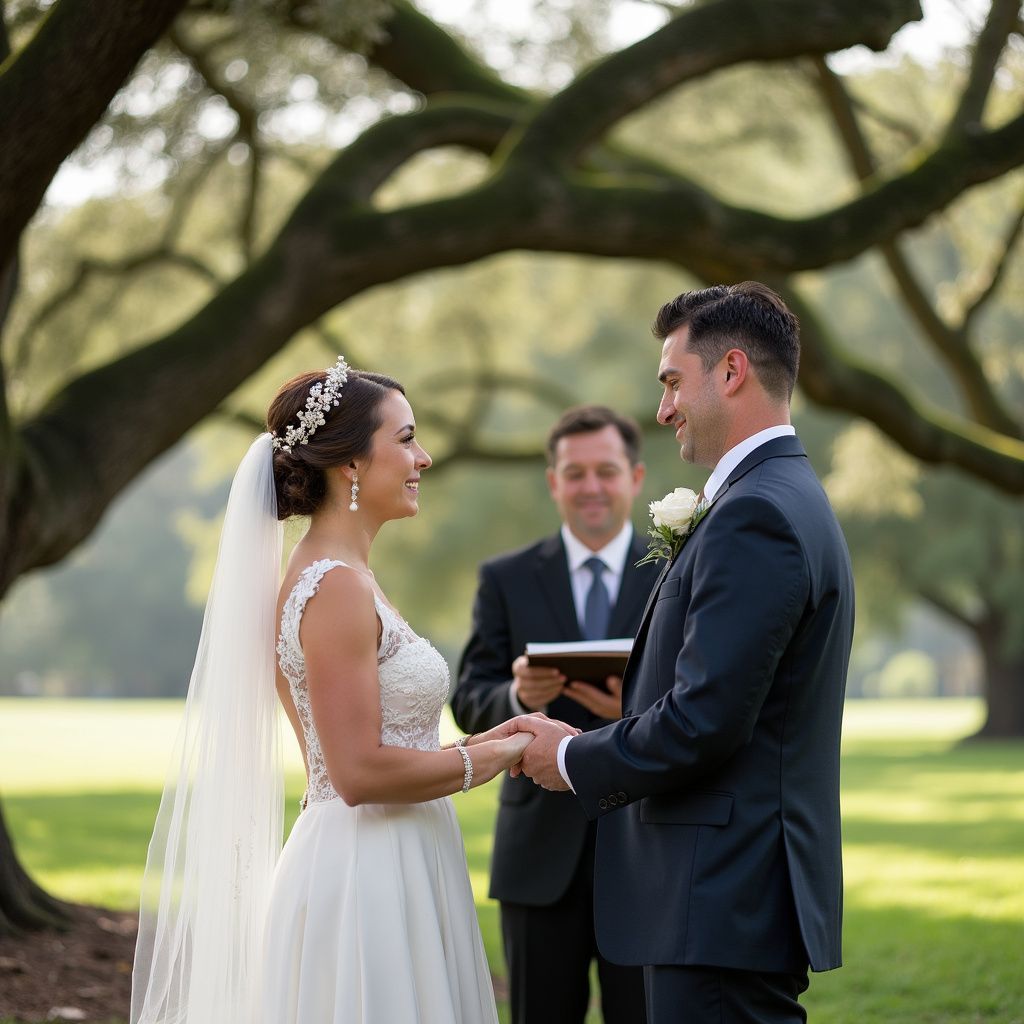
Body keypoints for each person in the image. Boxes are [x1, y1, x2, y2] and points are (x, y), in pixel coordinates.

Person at [131, 358, 557, 1024]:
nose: (426, 457)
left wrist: (482, 739)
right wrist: (503, 756)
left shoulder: (348, 575)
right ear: (351, 465)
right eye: (407, 438)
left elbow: (381, 741)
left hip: (402, 852)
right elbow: (355, 772)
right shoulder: (333, 587)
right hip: (367, 871)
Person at [511, 283, 855, 1024]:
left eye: (672, 381)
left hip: (720, 900)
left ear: (731, 372)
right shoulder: (783, 494)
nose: (662, 410)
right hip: (727, 902)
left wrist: (571, 760)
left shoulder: (755, 513)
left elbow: (705, 719)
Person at [452, 405, 656, 1024]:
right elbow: (468, 697)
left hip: (649, 848)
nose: (591, 487)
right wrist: (516, 696)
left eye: (606, 471)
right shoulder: (506, 578)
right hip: (538, 857)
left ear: (635, 477)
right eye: (575, 473)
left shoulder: (678, 569)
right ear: (553, 482)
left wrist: (636, 707)